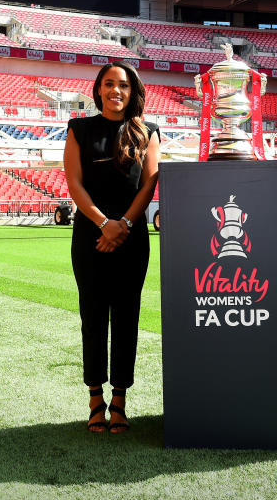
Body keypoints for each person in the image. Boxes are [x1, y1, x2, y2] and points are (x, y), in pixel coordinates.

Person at [64, 61, 160, 434]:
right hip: (90, 237)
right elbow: (75, 184)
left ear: (132, 91)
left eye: (122, 85)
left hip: (132, 238)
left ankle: (119, 399)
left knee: (126, 318)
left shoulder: (147, 131)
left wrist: (125, 225)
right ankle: (94, 398)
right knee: (92, 316)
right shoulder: (79, 129)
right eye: (108, 84)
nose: (115, 91)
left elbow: (148, 185)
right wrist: (105, 223)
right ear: (98, 89)